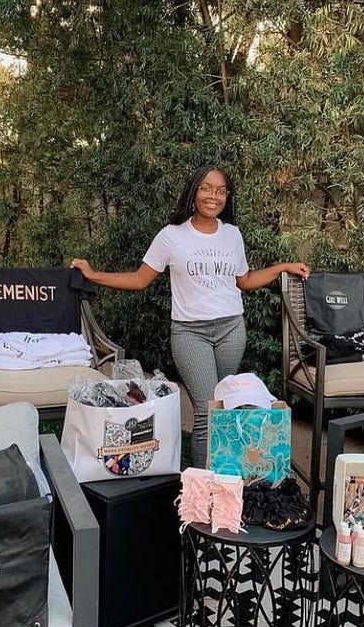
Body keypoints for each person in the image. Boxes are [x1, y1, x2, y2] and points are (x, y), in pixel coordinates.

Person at [71, 165, 310, 467]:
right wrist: (93, 275)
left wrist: (282, 267)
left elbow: (245, 280)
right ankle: (200, 494)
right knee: (207, 411)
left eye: (221, 191)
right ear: (194, 192)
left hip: (231, 330)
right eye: (207, 188)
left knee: (224, 409)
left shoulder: (232, 235)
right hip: (190, 333)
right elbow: (139, 279)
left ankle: (226, 481)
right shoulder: (172, 236)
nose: (214, 196)